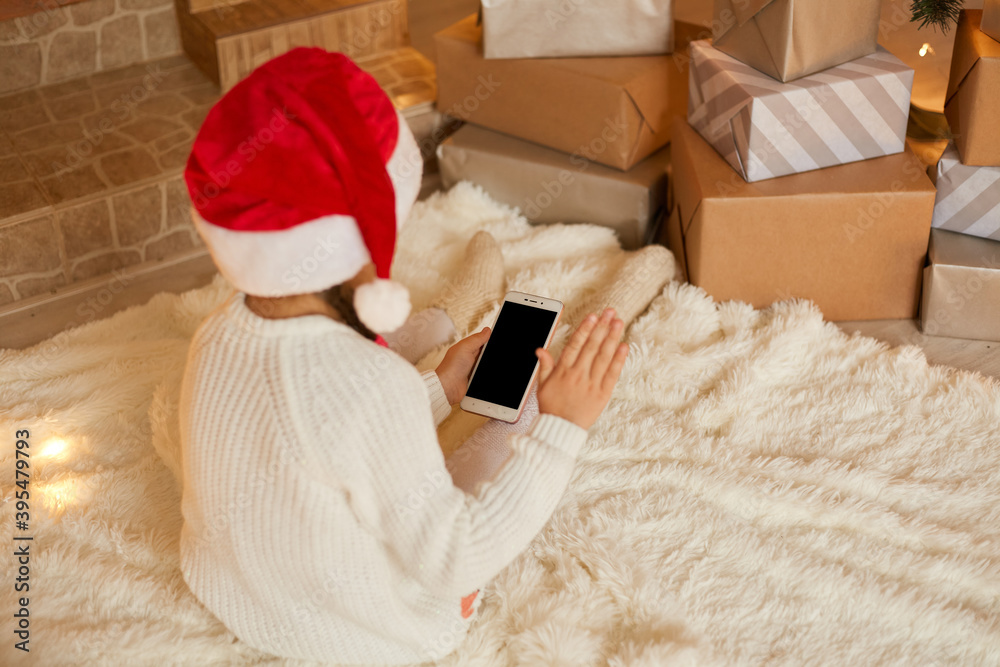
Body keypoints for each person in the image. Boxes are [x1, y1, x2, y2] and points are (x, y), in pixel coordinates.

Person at [178, 48, 673, 664]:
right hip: (367, 632)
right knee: (522, 409)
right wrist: (564, 426)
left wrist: (438, 386)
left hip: (237, 594)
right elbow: (456, 557)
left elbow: (327, 440)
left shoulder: (216, 332)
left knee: (430, 363)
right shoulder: (368, 385)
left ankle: (453, 310)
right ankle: (598, 325)